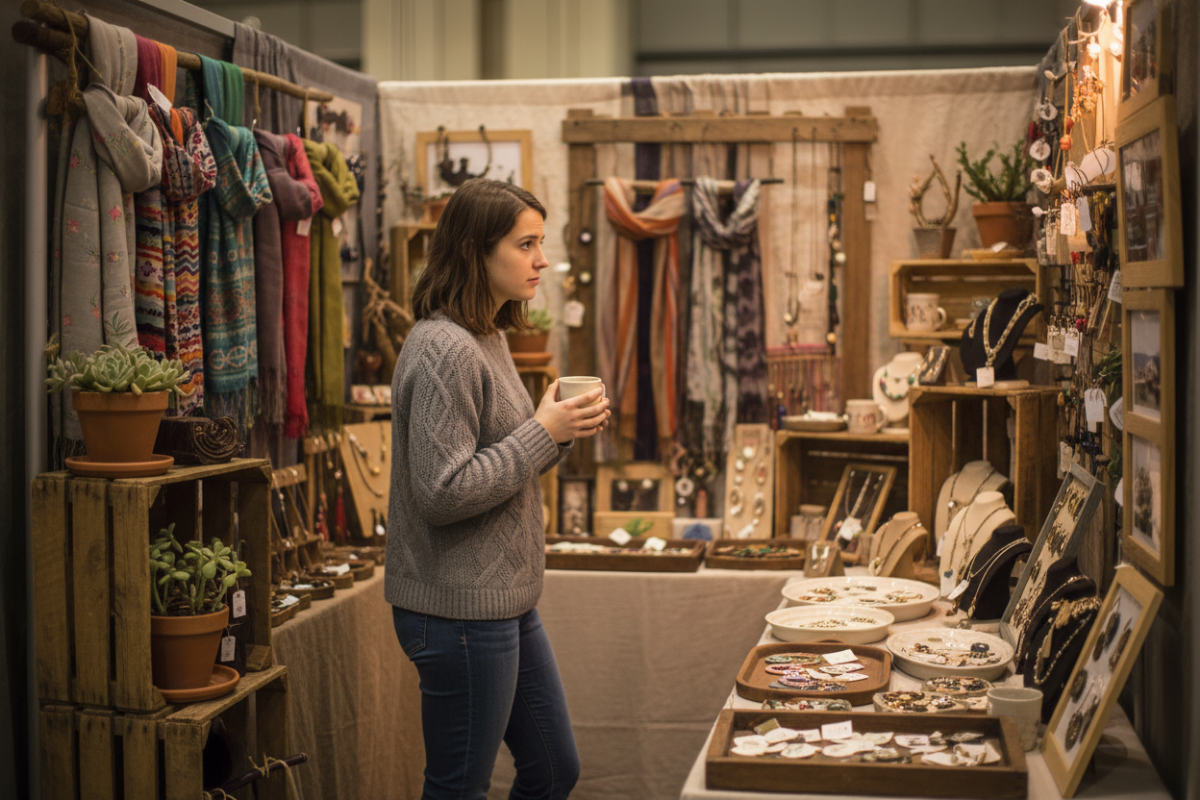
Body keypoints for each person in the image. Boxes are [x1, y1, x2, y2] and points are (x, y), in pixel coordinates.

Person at [388, 178, 608, 800]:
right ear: (475, 251)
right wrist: (543, 432)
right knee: (459, 787)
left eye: (543, 242)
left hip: (501, 600)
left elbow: (500, 458)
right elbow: (441, 491)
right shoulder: (443, 348)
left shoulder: (487, 335)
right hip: (456, 607)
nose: (542, 259)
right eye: (526, 243)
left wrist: (559, 430)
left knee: (552, 768)